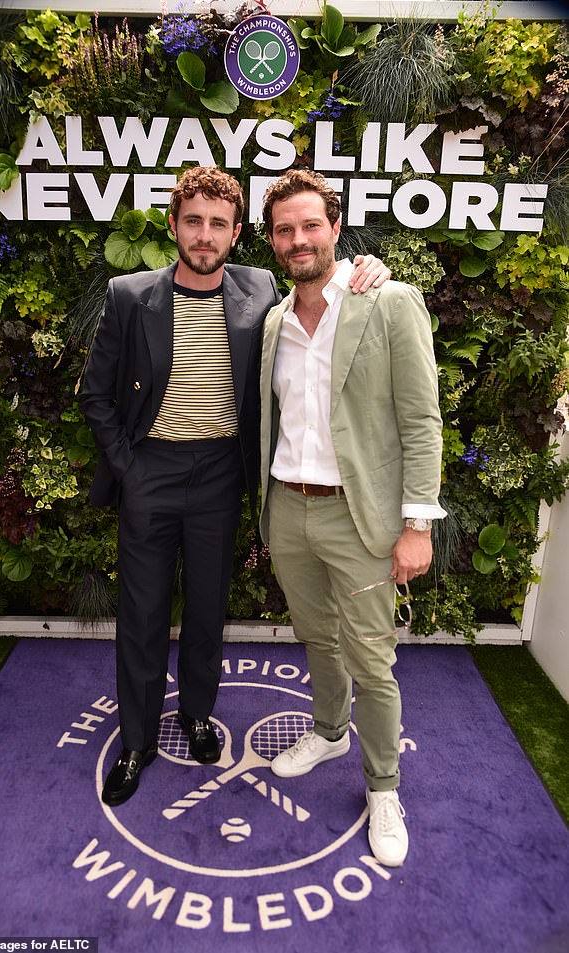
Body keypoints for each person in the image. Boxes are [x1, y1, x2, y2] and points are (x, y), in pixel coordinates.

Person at [79, 166, 391, 806]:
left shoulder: (261, 289)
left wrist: (373, 268)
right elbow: (96, 396)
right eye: (192, 220)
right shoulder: (128, 295)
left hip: (223, 473)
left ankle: (196, 715)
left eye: (218, 223)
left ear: (237, 232)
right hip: (153, 472)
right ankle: (136, 741)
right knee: (140, 614)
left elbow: (325, 287)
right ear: (173, 226)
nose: (204, 234)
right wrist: (130, 467)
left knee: (205, 609)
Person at [258, 169, 445, 867]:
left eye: (311, 225)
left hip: (359, 517)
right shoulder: (276, 319)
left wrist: (417, 522)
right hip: (288, 511)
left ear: (336, 228)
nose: (298, 239)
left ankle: (384, 788)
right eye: (284, 229)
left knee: (372, 659)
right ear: (273, 241)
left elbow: (421, 421)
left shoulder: (389, 301)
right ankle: (329, 730)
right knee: (317, 639)